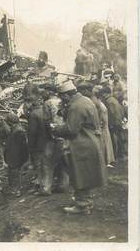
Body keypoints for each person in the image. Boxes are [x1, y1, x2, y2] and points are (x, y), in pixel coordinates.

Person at [52, 80, 106, 214]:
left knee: (79, 174)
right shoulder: (85, 100)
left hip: (81, 144)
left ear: (65, 95)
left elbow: (71, 130)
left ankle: (82, 205)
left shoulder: (76, 106)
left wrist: (56, 129)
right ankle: (86, 201)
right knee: (86, 174)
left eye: (61, 96)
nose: (61, 99)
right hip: (91, 141)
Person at [41, 85, 69, 193]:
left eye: (44, 91)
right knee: (63, 162)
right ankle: (63, 185)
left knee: (47, 163)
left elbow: (46, 122)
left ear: (49, 92)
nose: (43, 94)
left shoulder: (47, 103)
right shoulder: (63, 102)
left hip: (53, 136)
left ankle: (46, 188)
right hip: (65, 135)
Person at [26, 95, 50, 195]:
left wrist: (30, 146)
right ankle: (42, 184)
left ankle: (40, 186)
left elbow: (32, 132)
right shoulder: (43, 110)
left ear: (30, 103)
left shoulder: (33, 114)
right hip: (46, 141)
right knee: (44, 164)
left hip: (37, 143)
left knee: (38, 165)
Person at [4, 113, 29, 196]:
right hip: (13, 155)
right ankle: (13, 189)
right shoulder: (15, 129)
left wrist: (23, 158)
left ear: (10, 122)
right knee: (12, 173)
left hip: (16, 156)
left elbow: (23, 146)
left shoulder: (19, 131)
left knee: (15, 174)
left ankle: (17, 190)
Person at [99, 86, 125, 159]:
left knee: (114, 139)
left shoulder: (108, 101)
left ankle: (116, 155)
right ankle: (120, 154)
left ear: (106, 93)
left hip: (114, 123)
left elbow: (111, 113)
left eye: (103, 93)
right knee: (119, 138)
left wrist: (111, 124)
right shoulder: (113, 99)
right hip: (118, 121)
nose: (102, 95)